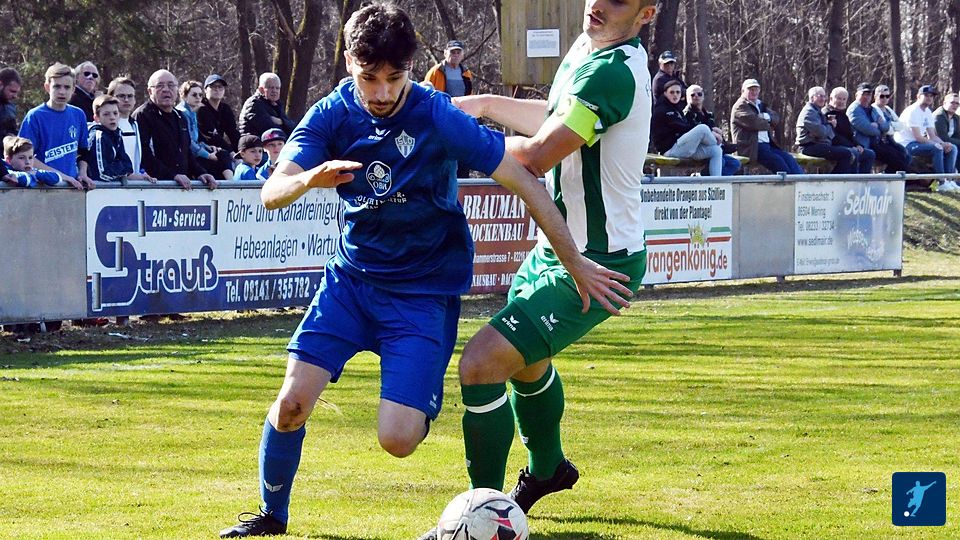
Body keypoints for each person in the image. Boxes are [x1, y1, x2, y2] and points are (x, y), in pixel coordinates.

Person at [218, 3, 624, 538]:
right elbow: (272, 191)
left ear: (410, 68)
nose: (383, 92)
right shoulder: (332, 114)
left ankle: (423, 402)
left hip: (422, 294)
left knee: (399, 440)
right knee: (291, 403)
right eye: (370, 78)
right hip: (351, 284)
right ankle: (271, 515)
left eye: (395, 78)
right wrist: (308, 179)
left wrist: (575, 263)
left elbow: (523, 177)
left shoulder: (436, 115)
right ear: (349, 63)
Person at [417, 3, 657, 538]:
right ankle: (548, 469)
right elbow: (550, 116)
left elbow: (538, 156)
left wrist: (458, 134)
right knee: (526, 363)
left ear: (645, 13)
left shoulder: (612, 72)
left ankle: (479, 516)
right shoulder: (587, 47)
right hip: (557, 249)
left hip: (598, 262)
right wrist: (479, 105)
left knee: (481, 364)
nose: (597, 3)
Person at [132, 70, 218, 190]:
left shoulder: (180, 116)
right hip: (154, 188)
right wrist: (172, 176)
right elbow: (144, 155)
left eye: (171, 85)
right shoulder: (142, 115)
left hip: (181, 187)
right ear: (150, 91)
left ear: (177, 90)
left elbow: (186, 151)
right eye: (160, 85)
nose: (166, 89)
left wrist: (201, 172)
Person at [18, 62, 93, 190]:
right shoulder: (35, 116)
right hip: (42, 187)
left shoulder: (78, 114)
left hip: (72, 187)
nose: (62, 92)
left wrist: (82, 173)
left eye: (67, 87)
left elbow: (83, 151)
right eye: (57, 86)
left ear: (73, 89)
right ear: (47, 87)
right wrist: (62, 177)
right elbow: (24, 158)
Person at [651, 79, 737, 176]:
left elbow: (685, 128)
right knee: (703, 128)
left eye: (678, 92)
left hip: (683, 147)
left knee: (716, 151)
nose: (675, 95)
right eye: (672, 92)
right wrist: (711, 132)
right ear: (665, 93)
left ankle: (715, 182)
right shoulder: (663, 109)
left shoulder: (676, 108)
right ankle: (722, 145)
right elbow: (682, 127)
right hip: (670, 150)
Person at [731, 78, 803, 175]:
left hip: (767, 145)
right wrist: (768, 122)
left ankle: (801, 183)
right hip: (751, 147)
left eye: (756, 89)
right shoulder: (740, 106)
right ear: (743, 91)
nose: (754, 92)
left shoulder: (760, 104)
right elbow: (756, 124)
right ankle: (788, 183)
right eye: (751, 90)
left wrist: (766, 117)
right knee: (779, 163)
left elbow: (776, 118)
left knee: (789, 159)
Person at [894, 85, 958, 191]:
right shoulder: (912, 111)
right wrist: (939, 145)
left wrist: (944, 144)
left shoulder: (927, 112)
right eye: (926, 95)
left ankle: (949, 180)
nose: (929, 98)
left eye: (931, 96)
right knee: (937, 148)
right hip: (905, 144)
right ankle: (941, 182)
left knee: (952, 148)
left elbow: (932, 135)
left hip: (917, 143)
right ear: (918, 96)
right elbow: (918, 137)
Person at [848, 82, 911, 174]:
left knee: (903, 153)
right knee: (896, 159)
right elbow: (869, 130)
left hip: (877, 143)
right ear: (856, 95)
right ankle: (907, 179)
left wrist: (877, 125)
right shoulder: (854, 110)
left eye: (869, 94)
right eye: (864, 94)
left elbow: (885, 126)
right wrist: (878, 127)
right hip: (864, 145)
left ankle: (888, 178)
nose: (866, 97)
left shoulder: (871, 109)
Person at [176, 80, 234, 180]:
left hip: (196, 152)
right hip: (187, 156)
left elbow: (196, 140)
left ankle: (231, 183)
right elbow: (189, 143)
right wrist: (208, 155)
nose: (198, 98)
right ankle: (230, 184)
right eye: (194, 95)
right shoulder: (183, 113)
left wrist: (208, 147)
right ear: (184, 96)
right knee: (217, 165)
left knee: (223, 153)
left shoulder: (192, 112)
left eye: (200, 95)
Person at [87, 95, 152, 183]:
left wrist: (126, 172)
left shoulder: (117, 133)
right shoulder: (98, 136)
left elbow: (128, 166)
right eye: (106, 114)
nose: (112, 117)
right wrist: (121, 171)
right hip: (98, 188)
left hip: (112, 187)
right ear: (97, 118)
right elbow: (101, 174)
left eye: (115, 113)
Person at [796, 86, 856, 173]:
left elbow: (830, 134)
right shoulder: (809, 112)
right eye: (820, 96)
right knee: (846, 154)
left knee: (849, 153)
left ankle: (845, 179)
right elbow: (821, 132)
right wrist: (830, 125)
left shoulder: (817, 111)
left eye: (824, 96)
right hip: (808, 147)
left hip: (820, 145)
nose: (823, 99)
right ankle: (835, 179)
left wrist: (826, 128)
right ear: (812, 97)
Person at [106, 77, 153, 181]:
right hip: (113, 184)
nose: (126, 100)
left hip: (133, 185)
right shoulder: (107, 125)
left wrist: (141, 172)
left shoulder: (134, 124)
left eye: (130, 96)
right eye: (121, 96)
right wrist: (126, 174)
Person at [824, 86, 875, 173]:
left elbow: (850, 134)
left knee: (870, 154)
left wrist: (858, 145)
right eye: (839, 98)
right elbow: (834, 136)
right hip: (833, 146)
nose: (841, 102)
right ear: (831, 98)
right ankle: (851, 179)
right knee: (853, 153)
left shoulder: (843, 114)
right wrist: (851, 146)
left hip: (847, 145)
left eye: (844, 99)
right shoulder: (827, 114)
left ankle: (862, 179)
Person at [238, 72, 297, 137]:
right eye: (271, 88)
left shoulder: (276, 104)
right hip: (254, 142)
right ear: (261, 89)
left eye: (277, 88)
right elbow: (271, 131)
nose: (274, 91)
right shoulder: (254, 104)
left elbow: (293, 127)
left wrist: (281, 121)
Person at [684, 84, 735, 154]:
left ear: (703, 96)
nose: (696, 96)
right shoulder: (687, 113)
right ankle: (721, 147)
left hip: (710, 144)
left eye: (699, 94)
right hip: (696, 147)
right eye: (692, 95)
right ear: (688, 98)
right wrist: (712, 132)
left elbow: (712, 127)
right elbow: (693, 130)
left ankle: (723, 145)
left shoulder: (708, 114)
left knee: (717, 130)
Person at [198, 74, 241, 153]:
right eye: (213, 86)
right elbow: (213, 136)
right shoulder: (200, 108)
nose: (217, 89)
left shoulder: (225, 109)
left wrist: (242, 151)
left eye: (220, 87)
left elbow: (233, 133)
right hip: (204, 149)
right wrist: (231, 153)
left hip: (220, 148)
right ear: (205, 90)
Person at [933, 92, 960, 172]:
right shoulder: (939, 116)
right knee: (953, 148)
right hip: (935, 142)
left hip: (949, 142)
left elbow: (957, 134)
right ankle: (948, 177)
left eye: (957, 103)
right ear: (944, 103)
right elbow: (942, 137)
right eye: (952, 103)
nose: (955, 105)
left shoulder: (956, 117)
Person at [0, 67, 22, 138]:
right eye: (12, 91)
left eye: (17, 92)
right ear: (1, 85)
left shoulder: (10, 107)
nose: (15, 96)